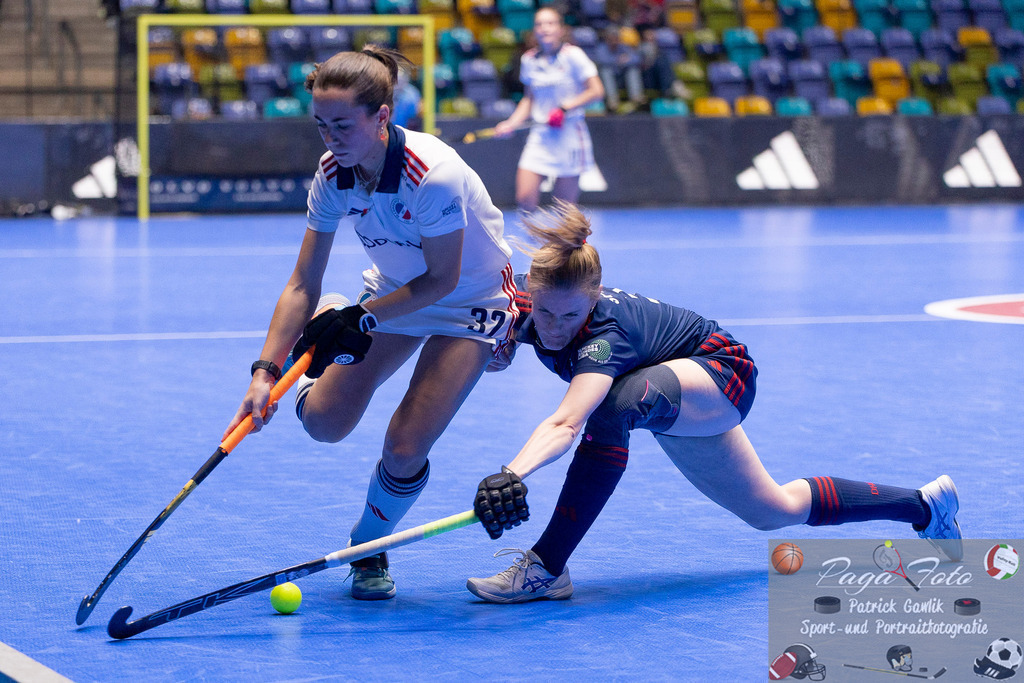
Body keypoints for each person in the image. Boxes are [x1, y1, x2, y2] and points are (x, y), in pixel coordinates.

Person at [467, 201, 963, 603]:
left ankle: (547, 566)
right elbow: (484, 325)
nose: (553, 328)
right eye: (545, 312)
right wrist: (493, 345)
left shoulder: (605, 336)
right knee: (772, 509)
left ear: (594, 297)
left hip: (723, 376)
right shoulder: (536, 307)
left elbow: (567, 421)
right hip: (670, 391)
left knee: (612, 407)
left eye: (569, 314)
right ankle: (923, 507)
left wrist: (512, 473)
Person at [224, 46, 518, 601]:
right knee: (324, 424)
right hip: (391, 292)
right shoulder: (333, 174)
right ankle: (325, 346)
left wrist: (356, 318)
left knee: (406, 444)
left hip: (468, 301)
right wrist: (264, 372)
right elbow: (301, 281)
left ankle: (368, 544)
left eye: (341, 124)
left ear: (382, 116)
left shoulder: (431, 174)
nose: (329, 138)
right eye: (319, 125)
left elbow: (441, 282)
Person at [493, 7, 606, 213]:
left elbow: (597, 91)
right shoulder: (529, 59)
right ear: (534, 30)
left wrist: (564, 108)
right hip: (541, 135)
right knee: (525, 200)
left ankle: (565, 245)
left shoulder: (573, 55)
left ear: (561, 29)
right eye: (539, 24)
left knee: (564, 212)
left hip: (570, 133)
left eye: (550, 23)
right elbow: (529, 98)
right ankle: (535, 245)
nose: (545, 28)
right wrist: (511, 123)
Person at [594, 25, 646, 113]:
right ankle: (612, 102)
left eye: (616, 38)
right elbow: (601, 61)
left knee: (632, 70)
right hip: (606, 79)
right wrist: (618, 60)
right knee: (606, 71)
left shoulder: (623, 47)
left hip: (622, 78)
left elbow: (637, 59)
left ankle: (636, 98)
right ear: (607, 39)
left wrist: (626, 60)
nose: (614, 41)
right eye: (612, 38)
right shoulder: (601, 48)